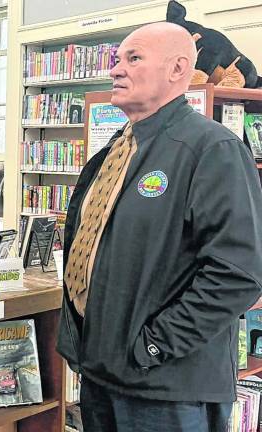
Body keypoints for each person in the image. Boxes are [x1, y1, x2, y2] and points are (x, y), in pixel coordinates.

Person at [57, 22, 262, 431]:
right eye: (117, 60)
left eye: (133, 59)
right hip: (101, 375)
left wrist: (153, 344)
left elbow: (237, 274)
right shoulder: (115, 150)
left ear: (177, 69)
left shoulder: (212, 149)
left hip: (166, 391)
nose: (116, 69)